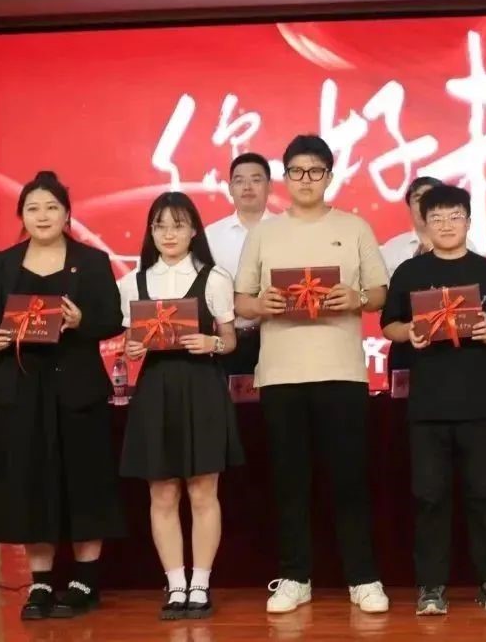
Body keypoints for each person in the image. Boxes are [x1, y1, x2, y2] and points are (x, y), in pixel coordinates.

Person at [234, 134, 391, 615]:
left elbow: (379, 292)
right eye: (297, 171)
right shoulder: (265, 233)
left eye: (315, 171)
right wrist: (262, 304)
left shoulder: (355, 226)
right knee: (289, 480)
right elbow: (242, 301)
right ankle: (294, 577)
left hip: (341, 371)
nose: (306, 180)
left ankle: (363, 578)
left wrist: (355, 298)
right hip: (281, 374)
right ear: (285, 177)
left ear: (329, 176)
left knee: (349, 478)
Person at [0, 171, 125, 621]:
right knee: (29, 482)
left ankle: (84, 580)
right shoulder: (4, 263)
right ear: (21, 216)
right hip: (21, 388)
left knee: (84, 481)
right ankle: (39, 582)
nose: (42, 216)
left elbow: (112, 319)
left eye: (52, 207)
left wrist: (80, 322)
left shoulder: (91, 261)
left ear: (67, 214)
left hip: (77, 388)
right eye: (33, 208)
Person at [381, 184, 486, 616]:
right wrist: (410, 332)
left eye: (454, 216)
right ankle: (431, 586)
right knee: (429, 497)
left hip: (481, 403)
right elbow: (388, 325)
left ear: (468, 221)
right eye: (437, 218)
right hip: (428, 406)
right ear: (424, 223)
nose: (446, 225)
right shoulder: (409, 272)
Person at [118, 192, 245, 621]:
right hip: (155, 390)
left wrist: (212, 343)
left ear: (193, 231)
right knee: (163, 492)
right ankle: (175, 584)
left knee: (203, 490)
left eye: (178, 225)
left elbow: (230, 340)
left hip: (202, 388)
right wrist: (131, 349)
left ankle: (200, 583)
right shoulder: (132, 282)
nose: (169, 234)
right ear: (151, 232)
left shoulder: (214, 278)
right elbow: (129, 345)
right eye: (160, 226)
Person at [382, 176, 478, 385]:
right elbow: (386, 303)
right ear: (409, 205)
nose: (425, 202)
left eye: (431, 196)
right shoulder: (391, 249)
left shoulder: (468, 247)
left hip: (457, 345)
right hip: (408, 344)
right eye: (418, 198)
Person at [205, 152, 272, 376]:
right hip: (229, 340)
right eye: (239, 181)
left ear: (269, 186)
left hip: (278, 341)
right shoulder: (212, 236)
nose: (247, 187)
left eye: (256, 179)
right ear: (230, 188)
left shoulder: (286, 230)